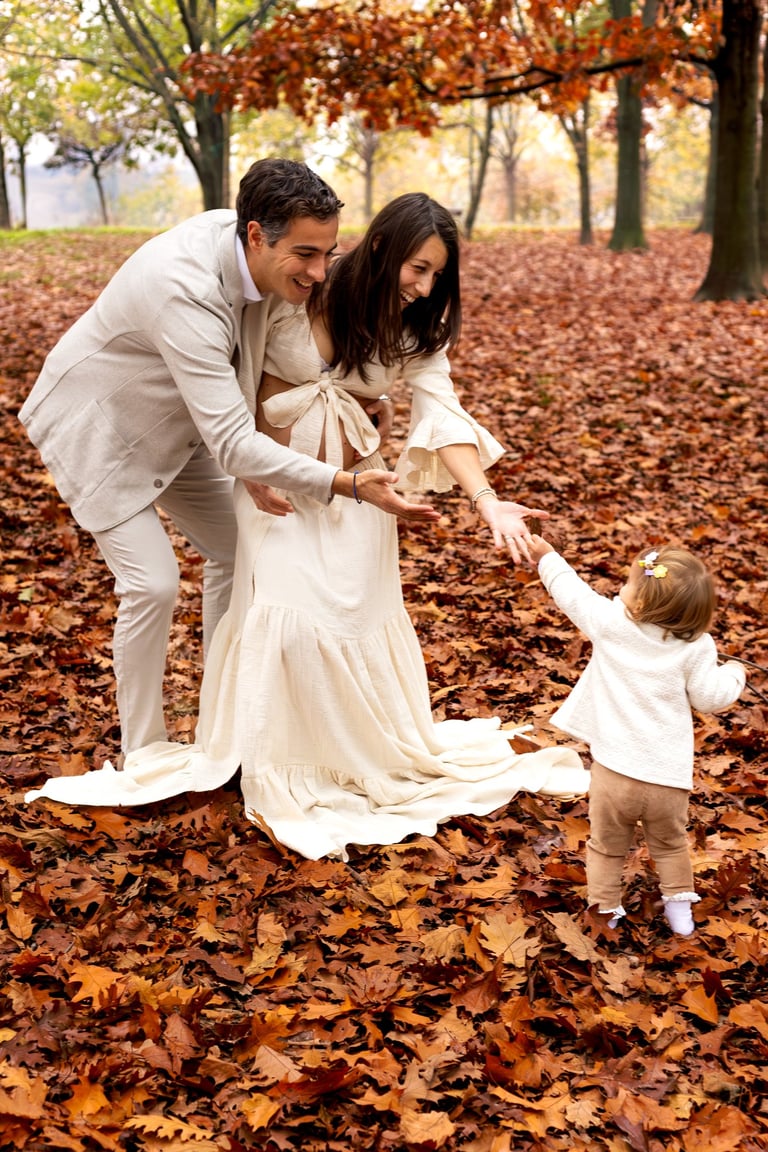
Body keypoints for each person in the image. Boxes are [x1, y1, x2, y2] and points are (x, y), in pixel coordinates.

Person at [26, 192, 590, 859]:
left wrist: (486, 498)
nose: (425, 286)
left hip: (355, 492)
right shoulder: (289, 291)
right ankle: (211, 745)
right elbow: (243, 377)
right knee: (218, 597)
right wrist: (263, 457)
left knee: (298, 599)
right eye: (417, 268)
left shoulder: (410, 329)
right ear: (379, 249)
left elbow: (444, 411)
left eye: (438, 274)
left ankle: (261, 737)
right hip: (259, 473)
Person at [18, 159, 437, 765]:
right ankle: (144, 747)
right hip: (102, 432)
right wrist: (345, 484)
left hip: (186, 432)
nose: (321, 272)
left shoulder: (252, 247)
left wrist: (371, 400)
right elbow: (236, 439)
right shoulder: (183, 290)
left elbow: (257, 385)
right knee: (155, 583)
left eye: (328, 252)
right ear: (256, 237)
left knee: (239, 552)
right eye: (306, 255)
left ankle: (225, 724)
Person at [527, 536, 746, 936]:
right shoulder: (697, 646)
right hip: (666, 779)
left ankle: (605, 911)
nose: (619, 590)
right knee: (671, 845)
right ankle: (681, 916)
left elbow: (571, 592)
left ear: (641, 604)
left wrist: (547, 556)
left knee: (606, 847)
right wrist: (735, 674)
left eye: (627, 584)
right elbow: (710, 697)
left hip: (614, 772)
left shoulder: (611, 624)